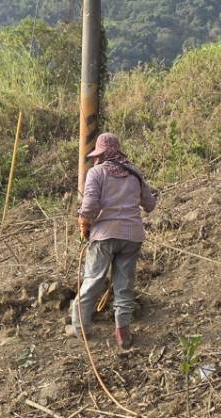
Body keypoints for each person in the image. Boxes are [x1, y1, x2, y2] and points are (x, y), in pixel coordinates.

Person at [71, 132, 158, 350]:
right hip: (132, 237)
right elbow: (149, 204)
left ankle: (79, 327)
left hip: (104, 236)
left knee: (93, 280)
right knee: (124, 285)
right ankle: (123, 332)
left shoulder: (97, 172)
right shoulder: (134, 173)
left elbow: (89, 206)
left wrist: (83, 222)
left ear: (102, 154)